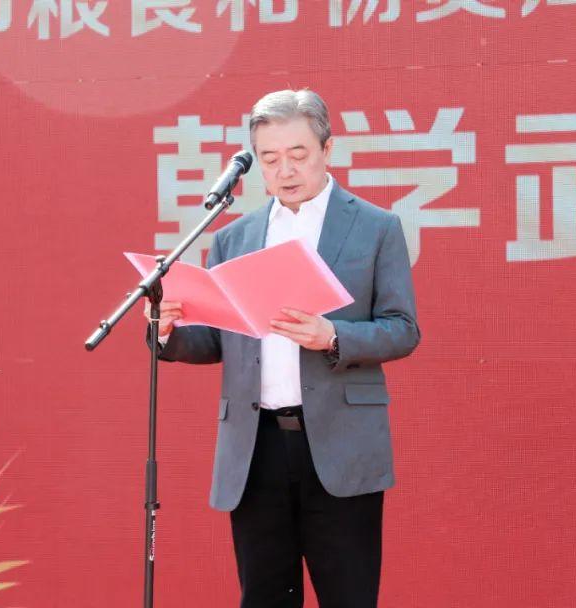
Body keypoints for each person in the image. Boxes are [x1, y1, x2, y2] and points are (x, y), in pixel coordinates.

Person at [144, 88, 419, 608]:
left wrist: (332, 336)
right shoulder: (235, 238)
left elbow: (403, 329)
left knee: (349, 597)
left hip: (338, 444)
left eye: (298, 154)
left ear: (327, 150)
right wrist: (168, 332)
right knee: (264, 597)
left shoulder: (376, 227)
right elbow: (219, 338)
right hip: (256, 448)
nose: (285, 170)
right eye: (269, 159)